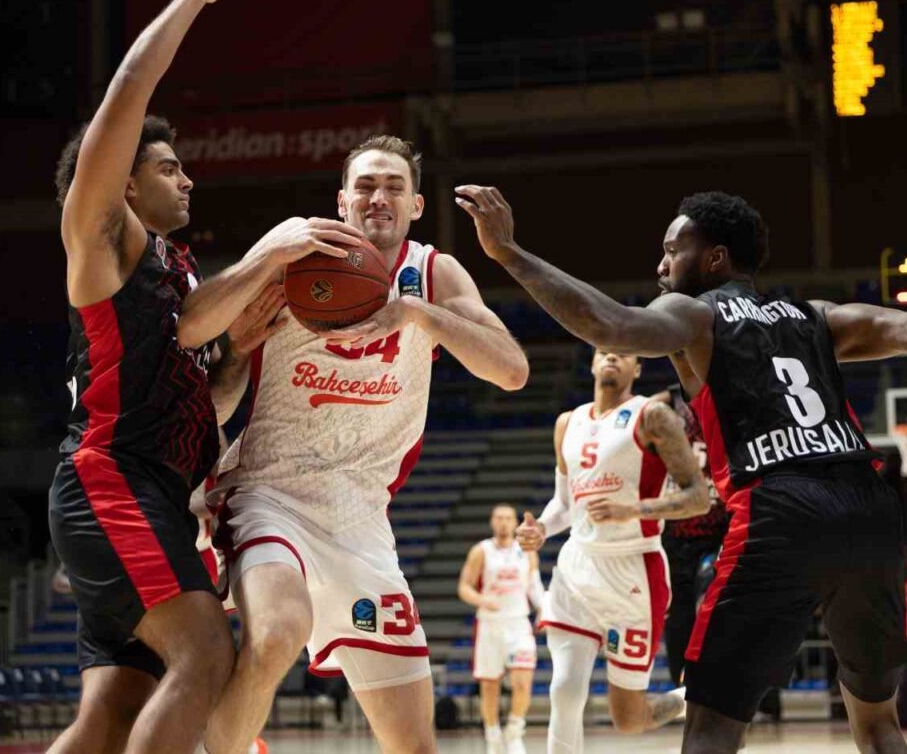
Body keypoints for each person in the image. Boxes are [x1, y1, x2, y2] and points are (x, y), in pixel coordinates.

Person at [458, 187, 907, 754]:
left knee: (710, 729)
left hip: (779, 509)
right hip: (869, 509)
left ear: (714, 259)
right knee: (879, 726)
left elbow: (610, 325)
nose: (662, 265)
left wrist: (509, 253)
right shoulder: (810, 314)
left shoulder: (695, 315)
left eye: (673, 250)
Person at [178, 134, 529, 753]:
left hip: (361, 520)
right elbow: (195, 341)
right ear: (341, 202)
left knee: (413, 744)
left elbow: (511, 370)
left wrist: (419, 315)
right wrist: (237, 339)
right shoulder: (295, 256)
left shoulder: (434, 273)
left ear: (416, 205)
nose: (378, 197)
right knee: (278, 632)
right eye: (365, 186)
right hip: (270, 494)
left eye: (394, 186)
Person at [46, 0, 295, 754]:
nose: (187, 177)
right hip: (111, 483)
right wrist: (191, 1)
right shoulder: (101, 235)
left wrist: (238, 357)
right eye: (167, 166)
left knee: (112, 712)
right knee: (206, 653)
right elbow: (126, 92)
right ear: (122, 181)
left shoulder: (177, 274)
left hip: (147, 486)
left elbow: (202, 409)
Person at [515, 349, 709, 752]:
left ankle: (699, 697)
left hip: (633, 570)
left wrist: (633, 510)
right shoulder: (567, 423)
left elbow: (698, 498)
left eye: (623, 354)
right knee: (564, 689)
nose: (612, 357)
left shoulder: (653, 416)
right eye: (604, 352)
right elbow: (565, 504)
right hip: (577, 567)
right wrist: (541, 529)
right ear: (591, 363)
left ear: (637, 368)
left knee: (628, 719)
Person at [650, 383, 729, 690]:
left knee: (721, 608)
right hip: (675, 530)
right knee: (678, 615)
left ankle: (737, 690)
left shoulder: (728, 395)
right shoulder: (669, 401)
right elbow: (635, 419)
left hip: (720, 528)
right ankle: (682, 688)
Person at [457, 503, 544, 754]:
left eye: (508, 518)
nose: (504, 522)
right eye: (499, 518)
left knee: (522, 681)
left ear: (515, 522)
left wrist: (543, 610)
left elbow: (534, 585)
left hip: (518, 622)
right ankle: (493, 736)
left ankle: (515, 732)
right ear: (492, 522)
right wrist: (482, 600)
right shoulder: (481, 551)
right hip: (490, 624)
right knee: (489, 685)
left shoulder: (526, 551)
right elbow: (464, 587)